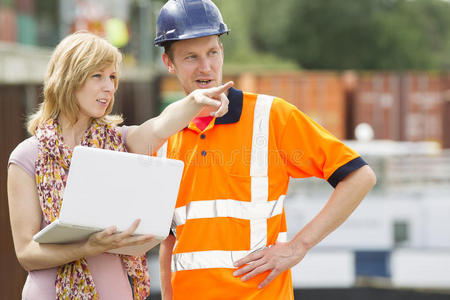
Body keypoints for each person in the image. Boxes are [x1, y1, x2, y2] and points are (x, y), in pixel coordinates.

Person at [154, 1, 377, 299]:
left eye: (212, 52)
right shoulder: (162, 136)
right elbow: (170, 238)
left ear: (222, 51)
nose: (206, 67)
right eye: (191, 57)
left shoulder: (271, 116)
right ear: (169, 63)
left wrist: (299, 246)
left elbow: (360, 176)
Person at [7, 31, 232, 300]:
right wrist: (88, 247)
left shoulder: (120, 143)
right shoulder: (27, 157)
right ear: (69, 78)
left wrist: (195, 101)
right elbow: (27, 254)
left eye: (113, 77)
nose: (109, 87)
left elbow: (160, 125)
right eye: (97, 76)